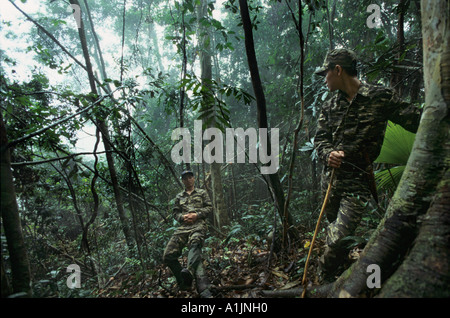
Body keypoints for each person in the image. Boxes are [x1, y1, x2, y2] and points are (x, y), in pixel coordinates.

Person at [313, 48, 422, 281]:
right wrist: (328, 153)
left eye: (326, 73)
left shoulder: (380, 97)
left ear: (338, 70)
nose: (324, 79)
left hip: (358, 181)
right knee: (332, 232)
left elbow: (417, 120)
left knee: (338, 238)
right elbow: (320, 140)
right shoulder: (330, 106)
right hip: (331, 181)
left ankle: (320, 281)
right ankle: (336, 275)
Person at [162, 170, 213, 297]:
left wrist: (197, 215)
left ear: (194, 179)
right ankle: (184, 282)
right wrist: (182, 217)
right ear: (183, 181)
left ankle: (189, 271)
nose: (188, 180)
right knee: (168, 255)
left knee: (195, 243)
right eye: (185, 178)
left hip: (198, 225)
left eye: (190, 177)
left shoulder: (202, 193)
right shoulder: (179, 197)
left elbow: (209, 208)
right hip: (183, 227)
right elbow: (175, 212)